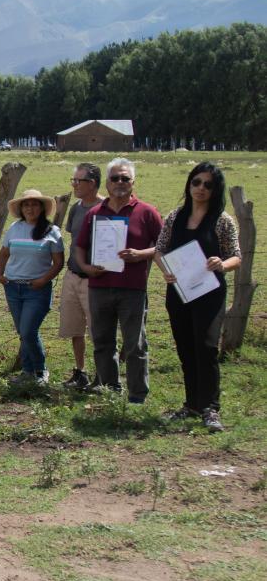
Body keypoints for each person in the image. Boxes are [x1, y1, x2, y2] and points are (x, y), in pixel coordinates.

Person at [155, 162, 240, 432]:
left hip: (210, 293)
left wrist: (221, 264)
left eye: (208, 185)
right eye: (196, 182)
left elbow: (236, 256)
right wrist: (166, 270)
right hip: (179, 292)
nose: (201, 188)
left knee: (206, 347)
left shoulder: (223, 220)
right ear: (189, 184)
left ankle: (211, 408)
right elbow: (159, 249)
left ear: (216, 190)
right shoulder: (175, 216)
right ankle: (191, 404)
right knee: (185, 347)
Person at [75, 157, 163, 403]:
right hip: (99, 287)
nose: (120, 182)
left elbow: (164, 246)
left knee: (135, 344)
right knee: (102, 341)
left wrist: (141, 255)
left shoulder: (147, 212)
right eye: (115, 178)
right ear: (107, 183)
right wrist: (85, 267)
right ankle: (110, 389)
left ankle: (137, 395)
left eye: (125, 178)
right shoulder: (95, 213)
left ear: (133, 182)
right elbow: (80, 247)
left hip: (132, 289)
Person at [0, 189, 65, 384]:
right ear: (21, 208)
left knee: (27, 331)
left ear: (42, 208)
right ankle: (27, 371)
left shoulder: (52, 231)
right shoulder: (14, 228)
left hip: (37, 289)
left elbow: (59, 262)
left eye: (34, 204)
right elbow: (3, 253)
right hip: (13, 287)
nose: (30, 208)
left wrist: (43, 280)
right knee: (24, 333)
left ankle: (40, 371)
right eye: (26, 205)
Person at [58, 163, 105, 390]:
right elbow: (74, 238)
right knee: (75, 328)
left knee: (98, 330)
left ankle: (102, 376)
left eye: (79, 181)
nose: (74, 185)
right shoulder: (76, 208)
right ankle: (80, 372)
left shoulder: (106, 209)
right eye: (73, 180)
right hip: (72, 275)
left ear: (93, 183)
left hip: (96, 280)